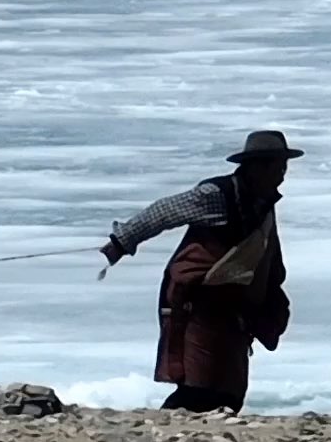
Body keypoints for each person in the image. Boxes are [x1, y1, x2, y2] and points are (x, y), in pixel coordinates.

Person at [101, 128, 298, 413]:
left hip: (233, 302)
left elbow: (269, 254)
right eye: (276, 167)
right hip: (195, 300)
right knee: (198, 381)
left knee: (230, 386)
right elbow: (164, 212)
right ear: (255, 167)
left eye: (284, 167)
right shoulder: (215, 196)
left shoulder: (263, 204)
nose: (282, 174)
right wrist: (121, 242)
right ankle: (169, 423)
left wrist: (270, 296)